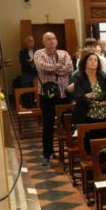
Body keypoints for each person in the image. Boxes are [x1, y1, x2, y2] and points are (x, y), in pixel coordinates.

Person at [34, 32, 73, 165]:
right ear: (43, 42)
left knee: (67, 123)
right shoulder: (39, 53)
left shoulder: (64, 53)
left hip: (64, 94)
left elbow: (69, 68)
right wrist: (59, 67)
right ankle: (47, 153)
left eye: (54, 38)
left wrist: (54, 69)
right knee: (48, 125)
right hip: (47, 95)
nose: (52, 41)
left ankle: (72, 151)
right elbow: (42, 67)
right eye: (48, 39)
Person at [72, 51, 106, 152]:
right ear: (85, 62)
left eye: (95, 60)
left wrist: (93, 95)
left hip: (105, 115)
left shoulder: (104, 76)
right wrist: (95, 102)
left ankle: (103, 160)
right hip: (86, 115)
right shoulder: (79, 77)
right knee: (89, 144)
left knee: (103, 143)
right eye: (90, 60)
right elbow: (78, 96)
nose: (93, 62)